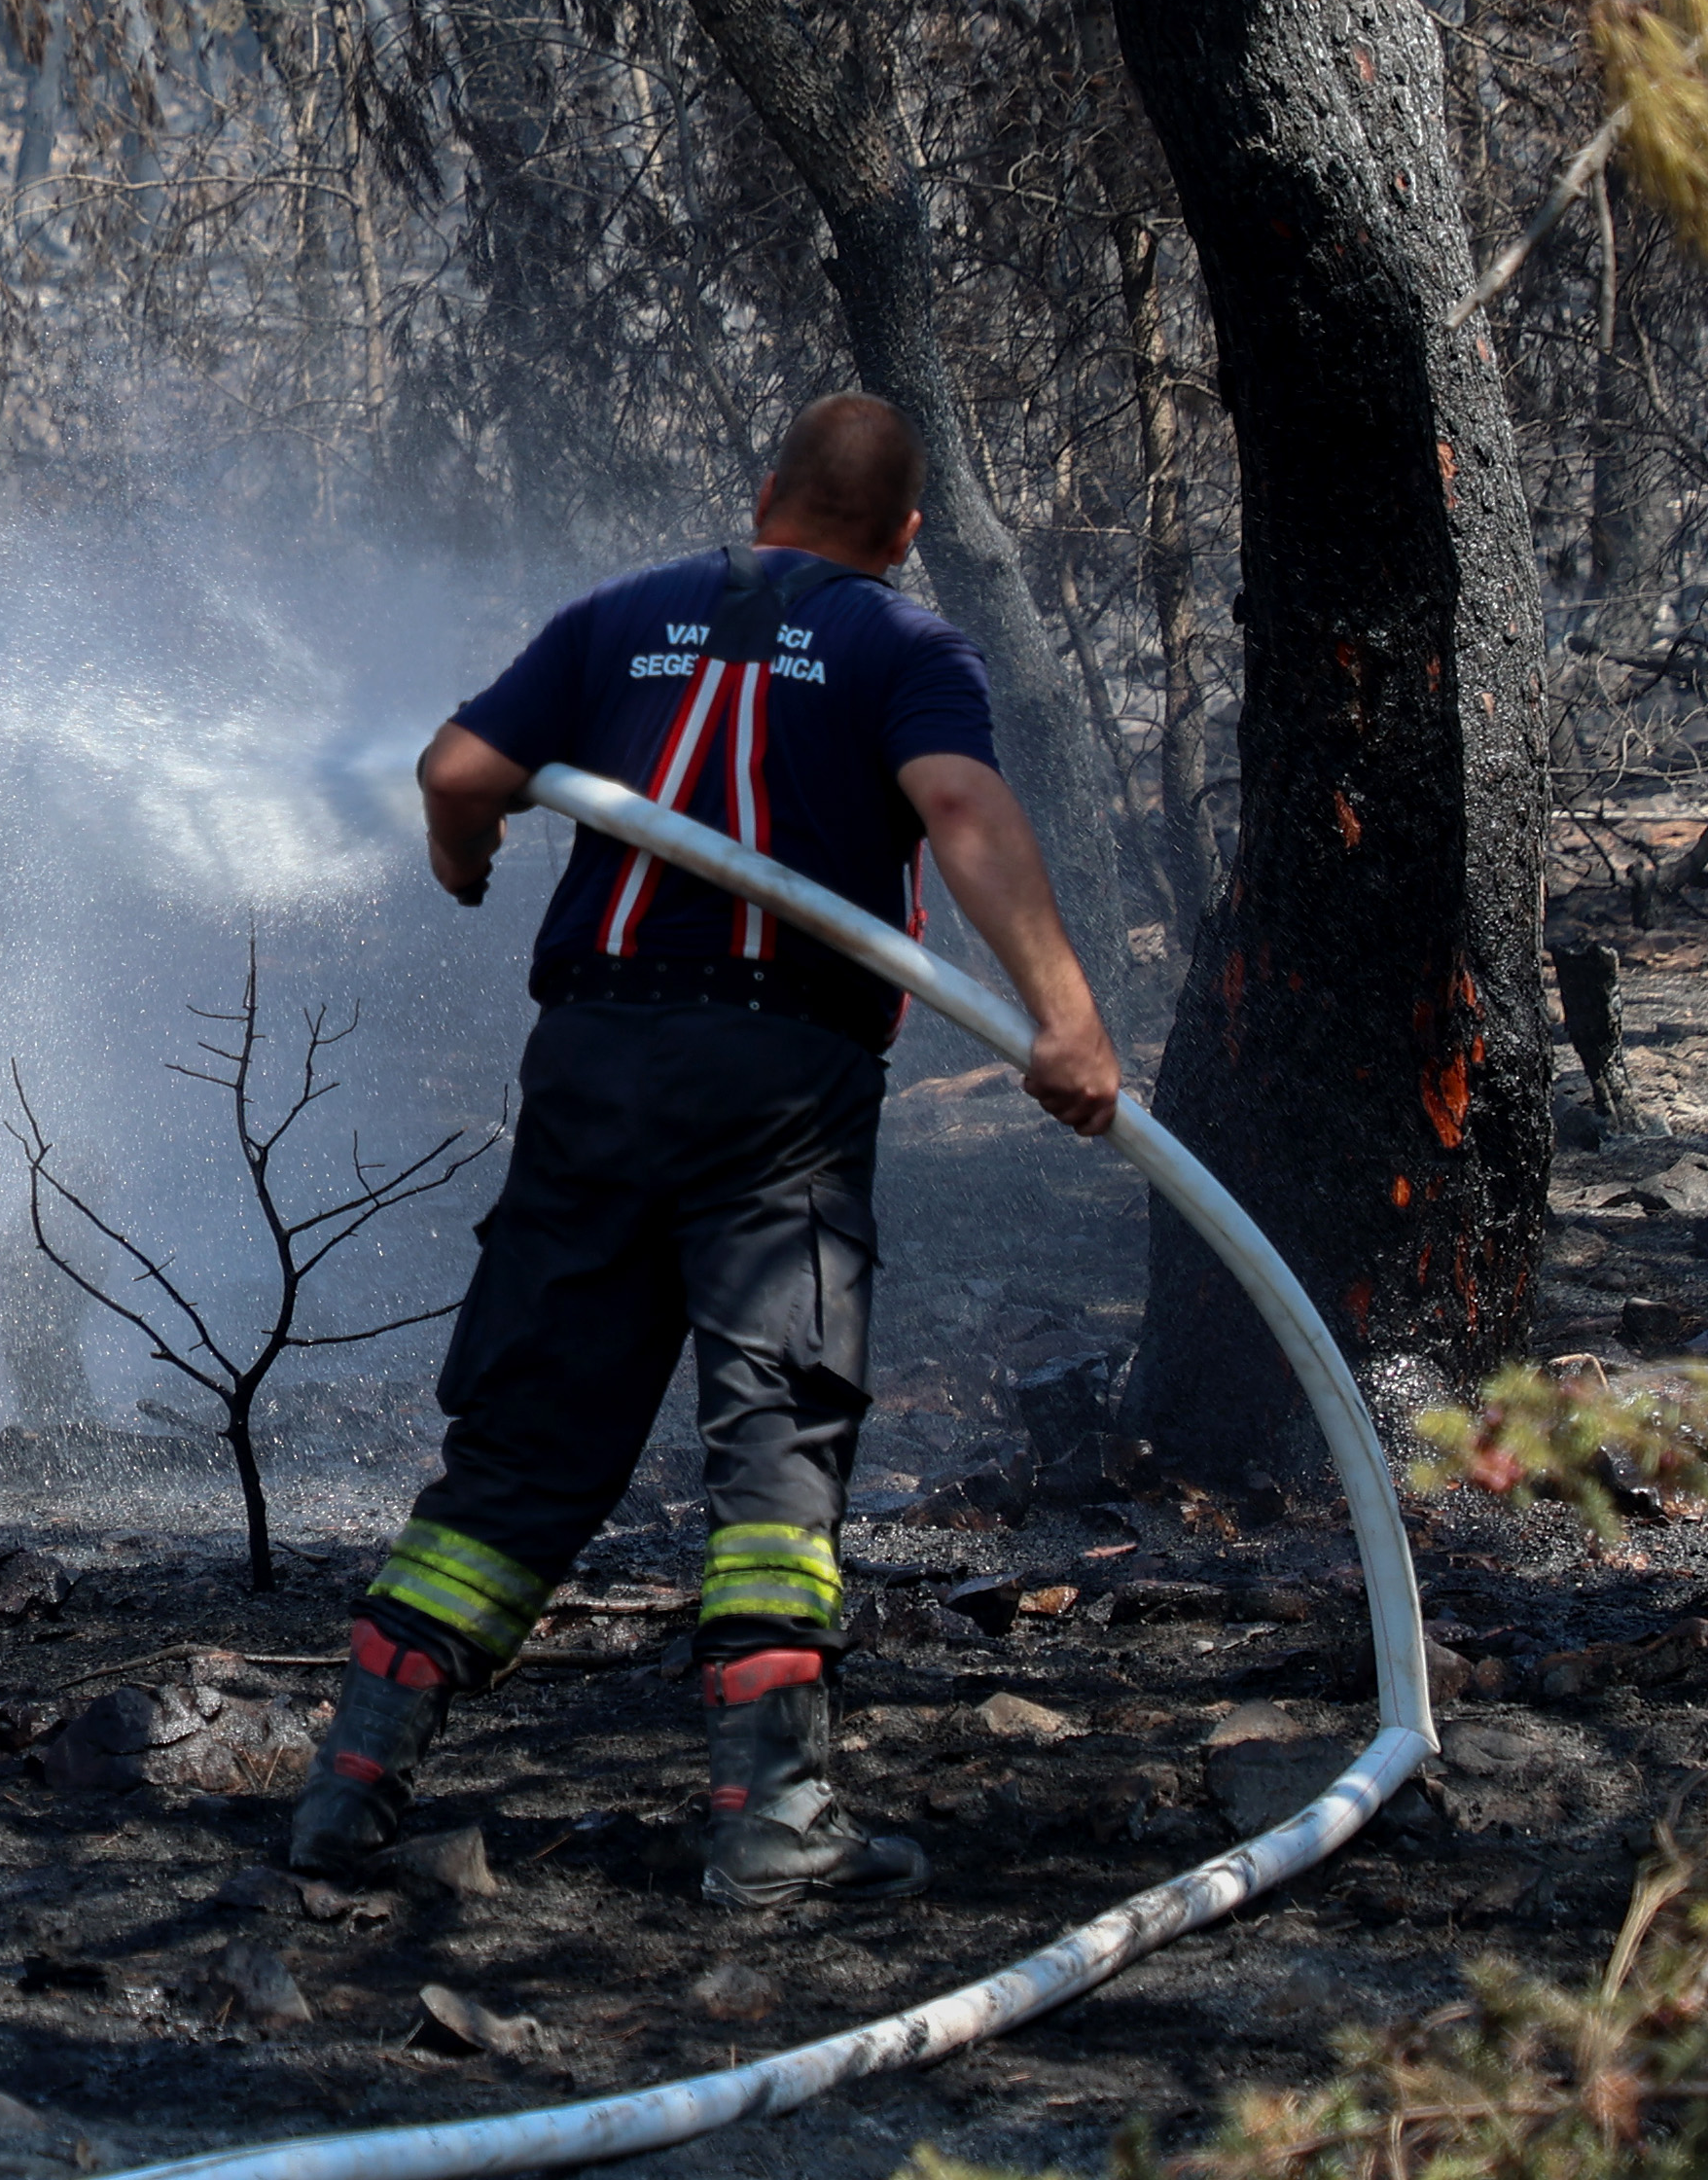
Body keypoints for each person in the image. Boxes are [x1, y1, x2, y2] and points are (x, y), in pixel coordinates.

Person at [292, 395, 1121, 1909]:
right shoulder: (907, 648)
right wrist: (1063, 1021)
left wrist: (460, 867)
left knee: (528, 1428)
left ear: (763, 496)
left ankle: (349, 1787)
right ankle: (772, 1821)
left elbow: (458, 772)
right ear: (908, 538)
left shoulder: (625, 611)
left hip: (594, 1063)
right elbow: (959, 806)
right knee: (775, 1435)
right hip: (777, 1077)